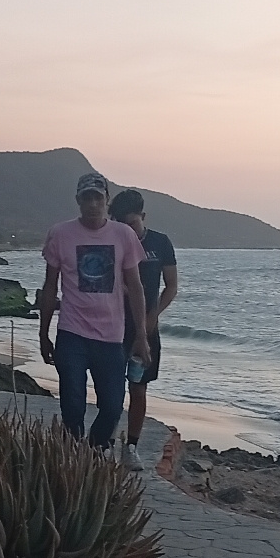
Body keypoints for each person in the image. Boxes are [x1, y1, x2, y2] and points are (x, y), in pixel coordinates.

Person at [39, 171, 151, 448]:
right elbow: (50, 287)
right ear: (78, 200)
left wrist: (141, 335)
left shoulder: (123, 235)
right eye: (86, 198)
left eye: (98, 198)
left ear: (106, 200)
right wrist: (43, 334)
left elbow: (135, 287)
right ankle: (72, 456)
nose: (92, 204)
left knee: (112, 406)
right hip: (72, 333)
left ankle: (93, 451)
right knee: (72, 405)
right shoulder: (60, 234)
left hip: (111, 337)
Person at [108, 188, 178, 469]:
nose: (130, 232)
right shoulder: (111, 242)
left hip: (147, 332)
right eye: (123, 226)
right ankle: (106, 442)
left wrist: (150, 319)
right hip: (112, 328)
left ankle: (131, 447)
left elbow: (171, 287)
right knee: (111, 390)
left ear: (143, 216)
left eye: (133, 224)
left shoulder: (160, 243)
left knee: (138, 388)